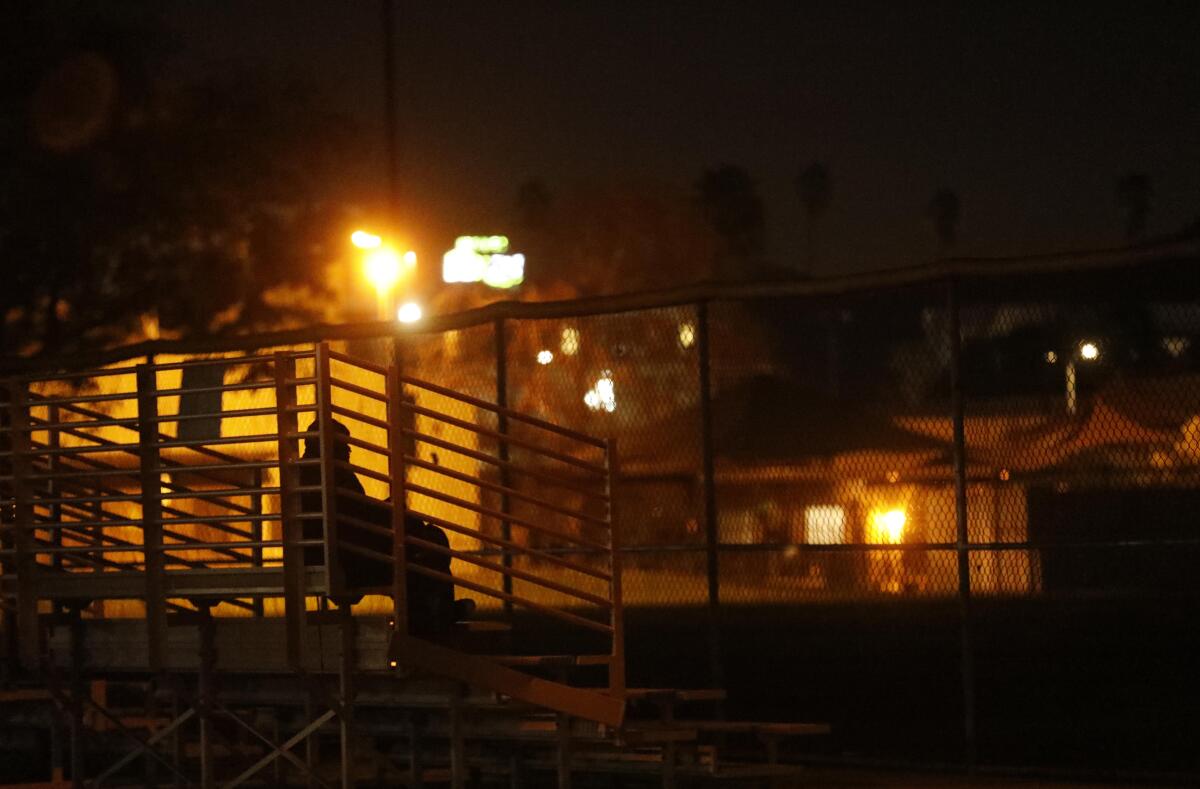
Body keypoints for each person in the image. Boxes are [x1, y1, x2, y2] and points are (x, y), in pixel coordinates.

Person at [296, 418, 471, 633]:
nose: (349, 450)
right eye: (344, 444)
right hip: (350, 560)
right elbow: (356, 519)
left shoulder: (308, 474)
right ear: (328, 444)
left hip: (347, 555)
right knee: (418, 562)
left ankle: (433, 621)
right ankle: (428, 626)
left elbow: (356, 514)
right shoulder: (330, 474)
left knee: (421, 551)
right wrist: (392, 514)